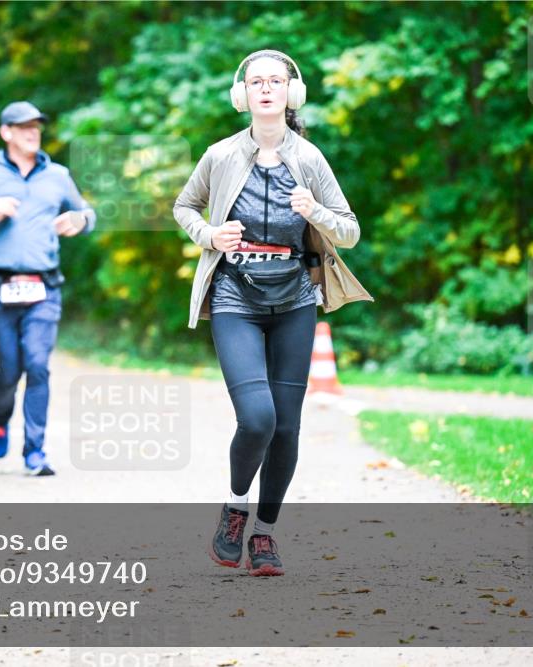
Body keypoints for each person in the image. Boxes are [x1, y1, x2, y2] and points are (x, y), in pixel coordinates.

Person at [173, 50, 372, 576]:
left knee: (286, 428)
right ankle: (235, 508)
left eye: (275, 81)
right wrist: (210, 235)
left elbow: (350, 230)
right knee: (258, 418)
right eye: (256, 82)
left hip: (294, 301)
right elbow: (184, 206)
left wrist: (316, 212)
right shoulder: (219, 155)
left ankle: (264, 533)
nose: (265, 89)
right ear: (243, 95)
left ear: (290, 92)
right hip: (235, 297)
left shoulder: (309, 159)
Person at [0, 101, 96, 477]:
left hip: (44, 287)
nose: (33, 132)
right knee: (9, 371)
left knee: (38, 365)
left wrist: (79, 220)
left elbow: (88, 213)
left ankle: (35, 451)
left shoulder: (58, 175)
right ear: (6, 132)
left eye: (36, 126)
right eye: (24, 127)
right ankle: (1, 419)